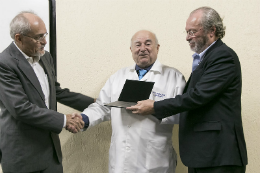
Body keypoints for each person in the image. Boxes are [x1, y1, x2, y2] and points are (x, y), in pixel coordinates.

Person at [127, 7, 248, 173]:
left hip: (219, 155)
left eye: (192, 32)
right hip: (203, 154)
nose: (187, 37)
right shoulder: (206, 58)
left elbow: (198, 96)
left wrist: (155, 106)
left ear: (211, 30)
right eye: (186, 32)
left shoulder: (223, 56)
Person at [74, 30, 186, 173]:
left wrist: (155, 109)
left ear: (157, 47)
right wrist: (84, 119)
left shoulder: (173, 77)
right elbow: (102, 107)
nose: (142, 48)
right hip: (122, 160)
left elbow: (183, 113)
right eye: (137, 45)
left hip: (155, 159)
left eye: (148, 43)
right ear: (131, 49)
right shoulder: (118, 77)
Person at [0, 11, 94, 173]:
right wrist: (64, 120)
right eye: (38, 37)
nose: (44, 41)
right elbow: (20, 108)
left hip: (50, 153)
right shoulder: (4, 63)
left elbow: (56, 92)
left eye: (45, 34)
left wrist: (98, 103)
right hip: (22, 155)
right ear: (19, 38)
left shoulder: (45, 57)